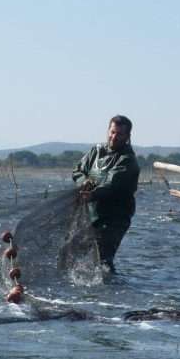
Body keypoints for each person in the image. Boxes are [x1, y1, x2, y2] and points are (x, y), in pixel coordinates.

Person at [72, 115, 140, 272]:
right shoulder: (96, 151)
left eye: (119, 134)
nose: (114, 137)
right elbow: (78, 170)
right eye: (112, 132)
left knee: (103, 259)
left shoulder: (127, 160)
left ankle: (111, 292)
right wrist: (84, 181)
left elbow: (111, 184)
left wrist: (92, 194)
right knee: (72, 251)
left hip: (115, 218)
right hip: (91, 213)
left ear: (127, 137)